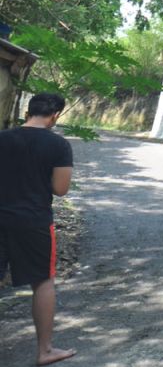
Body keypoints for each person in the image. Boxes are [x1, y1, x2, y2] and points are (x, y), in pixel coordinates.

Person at [0, 93, 77, 365]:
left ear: (27, 112)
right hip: (33, 222)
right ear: (55, 115)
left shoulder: (2, 137)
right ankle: (44, 351)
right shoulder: (58, 145)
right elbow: (60, 189)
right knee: (43, 282)